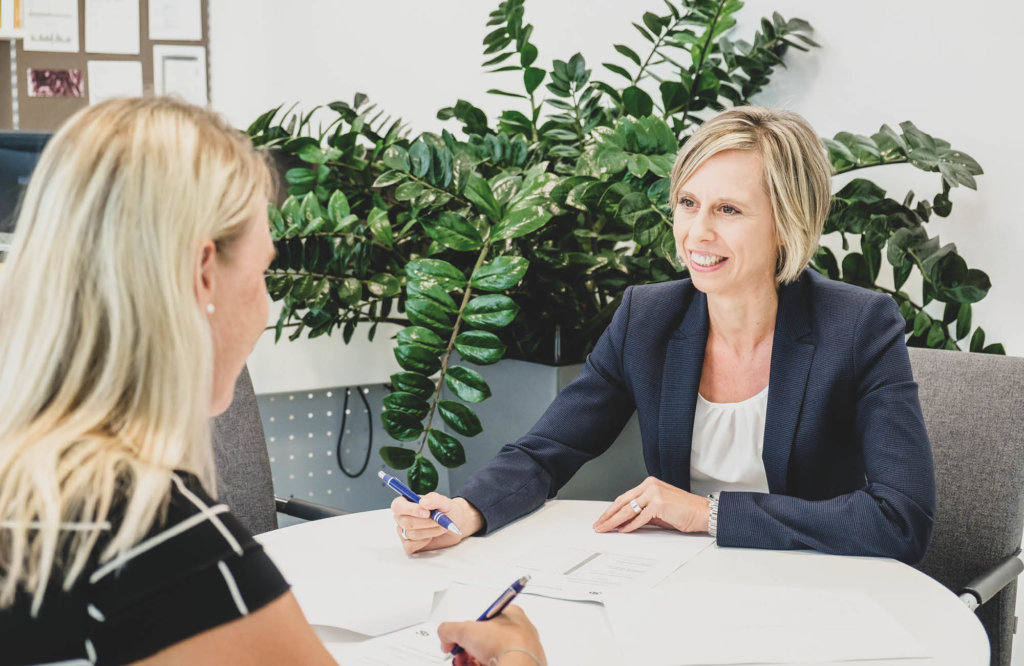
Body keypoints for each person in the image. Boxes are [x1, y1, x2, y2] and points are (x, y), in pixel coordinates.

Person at [0, 97, 544, 666]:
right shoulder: (155, 537)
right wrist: (518, 656)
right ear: (202, 275)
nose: (264, 308)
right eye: (262, 273)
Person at [392, 106, 936, 565]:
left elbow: (901, 520)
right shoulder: (647, 317)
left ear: (788, 221)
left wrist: (710, 514)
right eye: (687, 203)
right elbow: (546, 451)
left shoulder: (859, 325)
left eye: (728, 209)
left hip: (811, 586)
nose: (698, 232)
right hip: (677, 581)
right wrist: (468, 510)